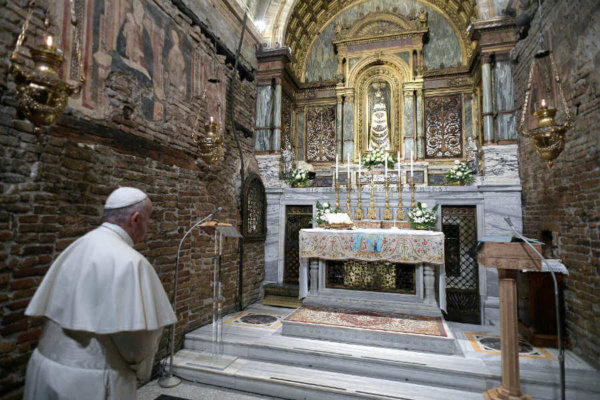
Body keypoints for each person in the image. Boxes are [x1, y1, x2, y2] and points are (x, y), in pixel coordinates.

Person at [23, 187, 176, 400]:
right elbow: (138, 340)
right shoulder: (131, 262)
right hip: (90, 381)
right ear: (135, 218)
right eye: (148, 219)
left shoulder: (77, 246)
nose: (148, 226)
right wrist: (141, 367)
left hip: (45, 367)